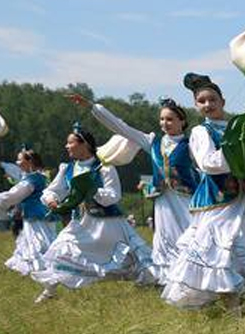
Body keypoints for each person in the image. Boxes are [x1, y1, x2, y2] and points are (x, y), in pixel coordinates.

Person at [160, 73, 245, 310]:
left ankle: (237, 305)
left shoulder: (243, 127)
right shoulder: (200, 133)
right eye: (201, 101)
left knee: (238, 253)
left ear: (222, 101)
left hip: (243, 203)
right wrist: (237, 151)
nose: (207, 105)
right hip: (217, 202)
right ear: (196, 105)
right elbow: (208, 163)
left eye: (212, 99)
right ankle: (233, 312)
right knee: (219, 252)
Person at [77, 94, 196, 283]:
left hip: (186, 200)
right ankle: (168, 280)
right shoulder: (152, 142)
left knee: (189, 235)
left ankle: (194, 278)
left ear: (182, 121)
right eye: (162, 119)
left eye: (170, 119)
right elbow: (121, 127)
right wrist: (93, 107)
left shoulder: (192, 143)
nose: (165, 123)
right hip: (163, 202)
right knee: (165, 238)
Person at [34, 126, 155, 301]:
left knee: (130, 257)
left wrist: (93, 191)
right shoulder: (67, 169)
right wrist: (52, 200)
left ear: (85, 145)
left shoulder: (104, 168)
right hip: (81, 223)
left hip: (108, 223)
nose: (66, 146)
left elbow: (114, 195)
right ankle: (50, 291)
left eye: (70, 142)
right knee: (61, 248)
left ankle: (151, 284)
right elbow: (53, 190)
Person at [0, 148, 58, 283]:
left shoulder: (32, 179)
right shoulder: (36, 177)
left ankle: (48, 272)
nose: (17, 162)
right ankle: (39, 272)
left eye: (19, 159)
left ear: (29, 162)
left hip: (37, 216)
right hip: (38, 215)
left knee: (40, 245)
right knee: (31, 243)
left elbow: (14, 195)